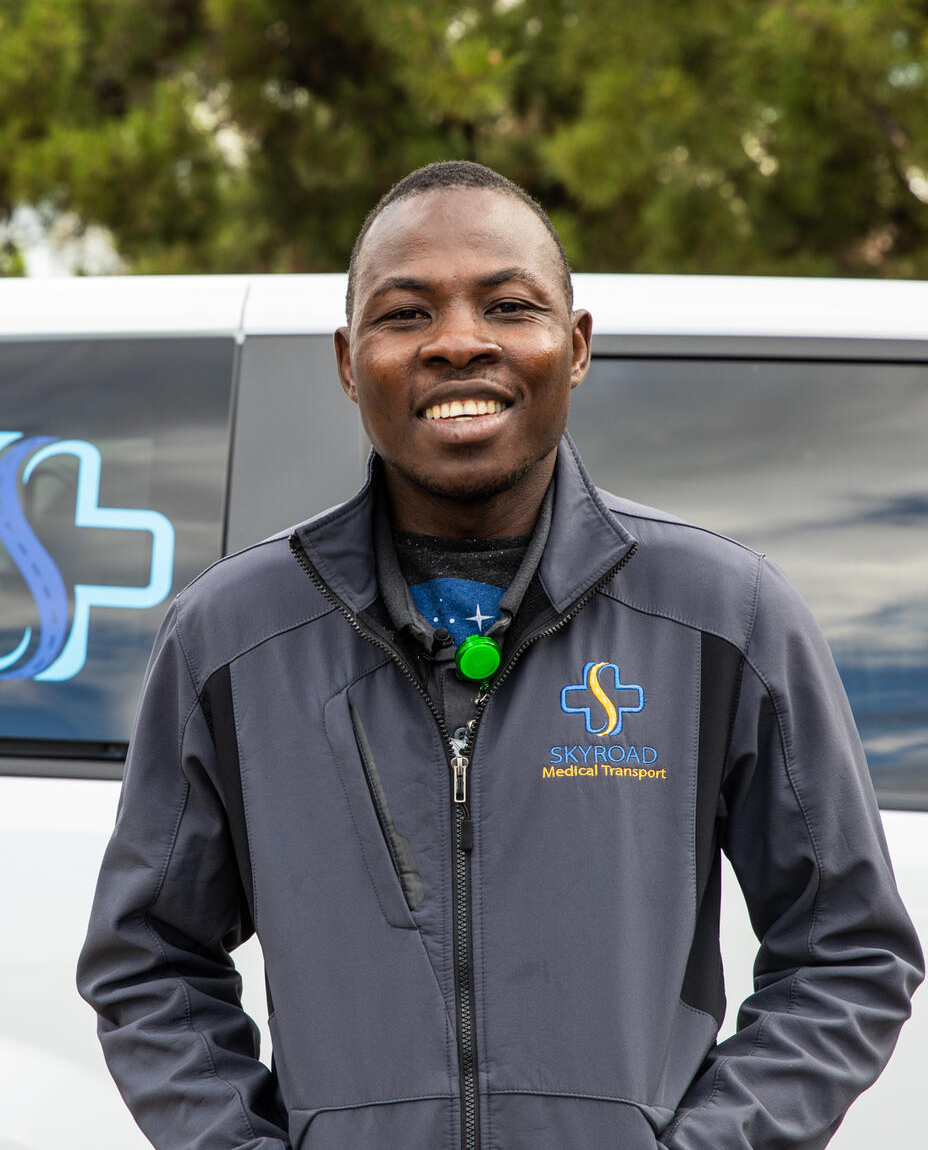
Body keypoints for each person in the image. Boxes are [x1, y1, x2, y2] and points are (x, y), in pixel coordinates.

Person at [78, 161, 923, 1150]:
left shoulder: (724, 614)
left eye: (506, 304)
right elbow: (147, 957)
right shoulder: (229, 635)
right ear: (349, 363)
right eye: (404, 314)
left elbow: (846, 949)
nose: (457, 342)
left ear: (572, 348)